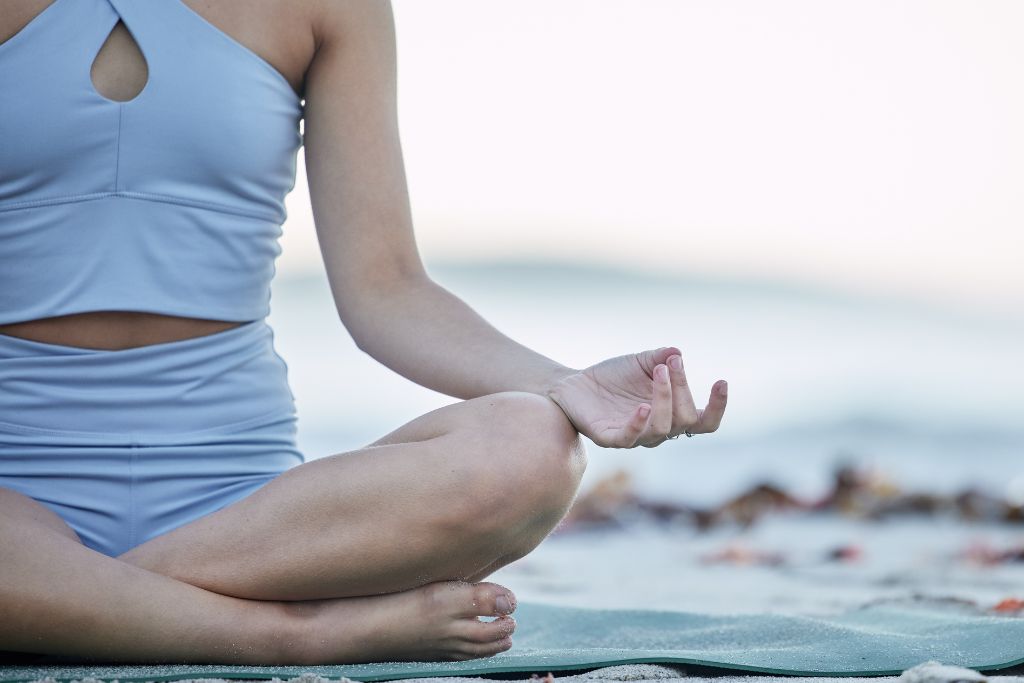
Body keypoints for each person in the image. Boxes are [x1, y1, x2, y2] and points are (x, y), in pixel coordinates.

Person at [0, 0, 728, 666]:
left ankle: (64, 605)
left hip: (247, 517)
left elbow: (387, 290)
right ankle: (296, 632)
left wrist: (564, 386)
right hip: (13, 494)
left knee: (532, 446)